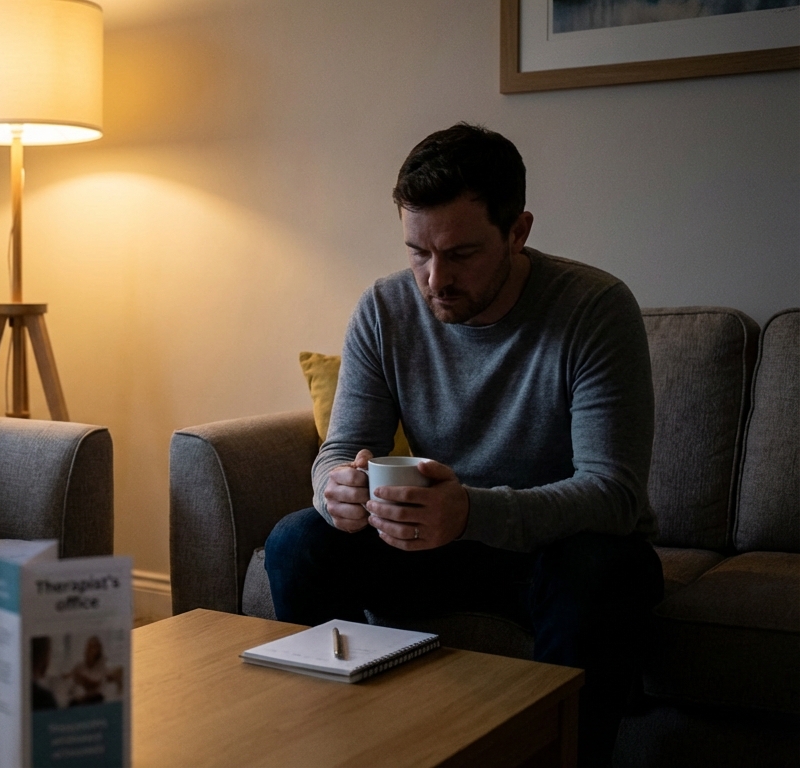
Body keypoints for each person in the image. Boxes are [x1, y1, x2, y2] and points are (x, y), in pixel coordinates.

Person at [263, 123, 663, 767]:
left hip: (550, 553)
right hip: (427, 545)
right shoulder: (384, 309)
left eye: (461, 254)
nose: (434, 279)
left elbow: (613, 494)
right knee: (297, 541)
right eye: (417, 252)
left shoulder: (594, 308)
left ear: (518, 231)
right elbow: (341, 449)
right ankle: (344, 746)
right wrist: (336, 488)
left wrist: (470, 511)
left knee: (605, 569)